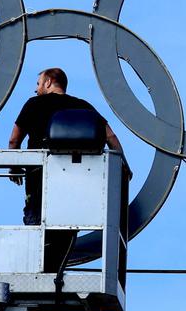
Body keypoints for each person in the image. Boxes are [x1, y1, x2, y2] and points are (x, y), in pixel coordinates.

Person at [8, 68, 127, 272]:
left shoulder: (33, 104)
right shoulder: (83, 107)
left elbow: (14, 140)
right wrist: (123, 165)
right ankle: (56, 273)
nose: (36, 89)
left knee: (36, 228)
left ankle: (37, 272)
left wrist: (14, 166)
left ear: (48, 82)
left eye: (38, 83)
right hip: (73, 187)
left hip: (38, 182)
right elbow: (111, 137)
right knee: (65, 231)